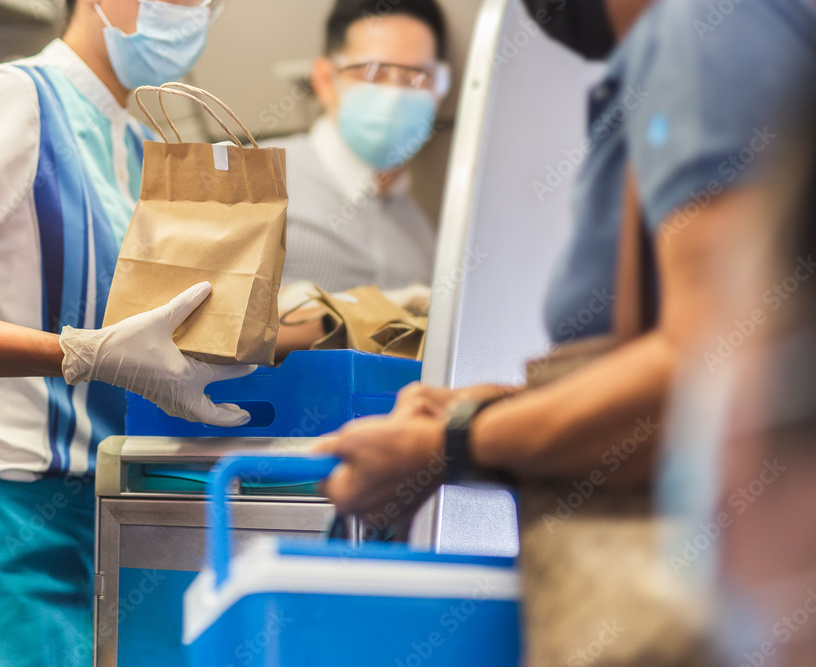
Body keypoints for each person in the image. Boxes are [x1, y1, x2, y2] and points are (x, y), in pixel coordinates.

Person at [317, 0, 816, 527]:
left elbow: (714, 373)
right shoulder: (677, 48)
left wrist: (451, 444)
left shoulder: (708, 28)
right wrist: (506, 408)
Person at [0, 1, 251, 665]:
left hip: (101, 518)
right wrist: (79, 353)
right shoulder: (14, 100)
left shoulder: (143, 146)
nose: (195, 12)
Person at [265, 0, 448, 298]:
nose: (394, 95)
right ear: (325, 80)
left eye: (417, 77)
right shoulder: (258, 177)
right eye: (373, 73)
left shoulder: (422, 235)